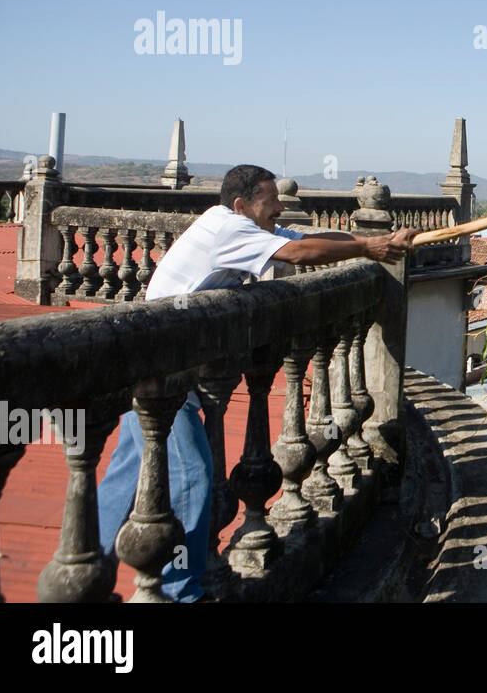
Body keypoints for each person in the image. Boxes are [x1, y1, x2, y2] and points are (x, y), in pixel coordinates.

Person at [96, 164, 414, 601]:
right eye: (271, 200)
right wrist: (369, 245)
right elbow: (299, 256)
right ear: (242, 204)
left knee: (129, 470)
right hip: (163, 371)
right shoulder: (231, 231)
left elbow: (306, 241)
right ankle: (178, 592)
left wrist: (372, 244)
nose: (279, 207)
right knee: (192, 475)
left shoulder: (232, 224)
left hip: (158, 362)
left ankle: (90, 571)